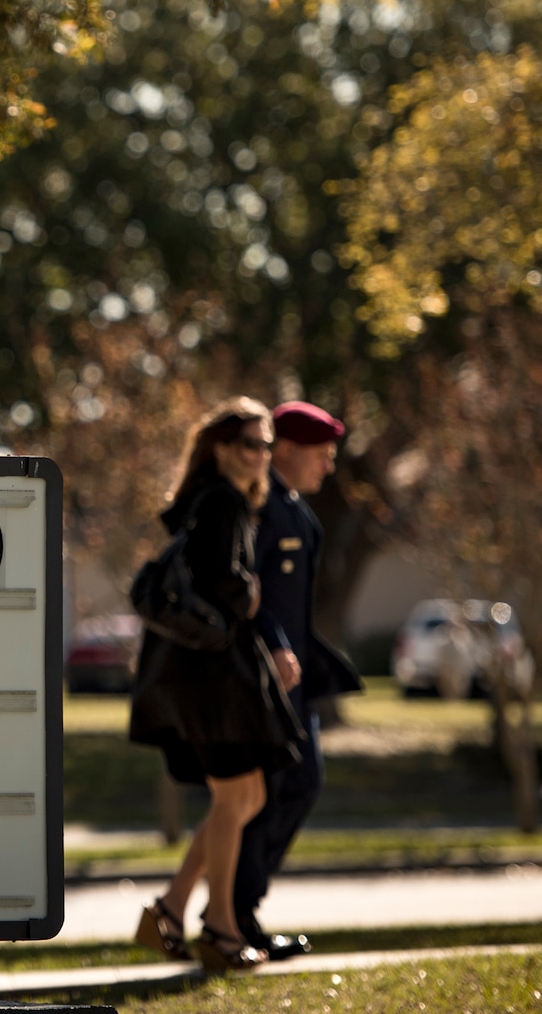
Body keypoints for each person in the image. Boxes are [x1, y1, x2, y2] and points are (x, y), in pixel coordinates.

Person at [128, 397, 304, 972]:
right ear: (222, 449)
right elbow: (222, 583)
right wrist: (247, 591)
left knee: (246, 796)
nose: (261, 456)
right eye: (250, 444)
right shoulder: (223, 502)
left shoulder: (212, 501)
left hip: (211, 674)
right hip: (212, 678)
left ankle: (171, 910)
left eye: (266, 446)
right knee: (236, 798)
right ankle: (220, 929)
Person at [233, 400, 363, 960]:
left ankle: (237, 913)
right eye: (322, 454)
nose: (328, 467)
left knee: (292, 787)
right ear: (284, 447)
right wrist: (276, 646)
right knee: (274, 792)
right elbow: (243, 591)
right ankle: (235, 915)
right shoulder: (260, 508)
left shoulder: (296, 511)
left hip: (293, 684)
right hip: (263, 680)